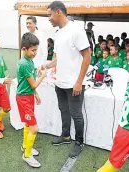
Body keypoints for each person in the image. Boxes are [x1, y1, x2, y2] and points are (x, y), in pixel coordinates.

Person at [46, 1, 91, 158]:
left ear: (58, 12)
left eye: (49, 15)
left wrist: (79, 81)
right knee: (63, 110)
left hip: (74, 84)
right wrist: (46, 67)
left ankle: (79, 142)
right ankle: (65, 136)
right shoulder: (58, 33)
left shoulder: (76, 31)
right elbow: (57, 59)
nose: (49, 19)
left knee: (76, 114)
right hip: (60, 82)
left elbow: (87, 56)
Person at [16, 32, 46, 167]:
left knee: (28, 124)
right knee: (34, 128)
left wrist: (35, 94)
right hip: (23, 99)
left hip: (27, 96)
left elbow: (30, 84)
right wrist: (43, 76)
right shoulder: (24, 63)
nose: (35, 53)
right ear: (24, 49)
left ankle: (24, 146)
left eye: (36, 50)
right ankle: (27, 155)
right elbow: (34, 83)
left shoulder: (28, 61)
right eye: (33, 50)